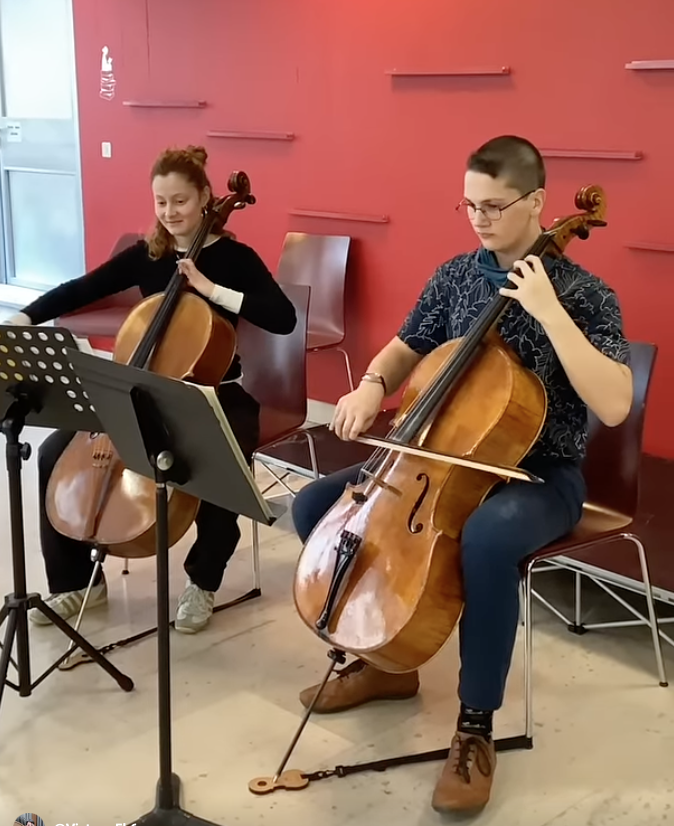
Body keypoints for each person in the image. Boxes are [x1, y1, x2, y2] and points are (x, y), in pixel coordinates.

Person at [290, 135, 632, 814]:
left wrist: (550, 313)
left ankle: (475, 727)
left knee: (487, 540)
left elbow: (616, 403)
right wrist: (371, 385)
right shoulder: (454, 276)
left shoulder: (586, 294)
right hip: (435, 458)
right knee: (314, 508)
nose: (479, 219)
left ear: (536, 202)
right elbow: (404, 346)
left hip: (540, 475)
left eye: (494, 206)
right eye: (470, 205)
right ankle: (388, 662)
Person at [4, 145, 296, 634]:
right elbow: (81, 289)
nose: (170, 212)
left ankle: (203, 583)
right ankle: (74, 581)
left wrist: (210, 290)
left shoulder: (236, 258)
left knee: (221, 471)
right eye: (161, 202)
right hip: (141, 391)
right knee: (55, 451)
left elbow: (283, 318)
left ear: (205, 197)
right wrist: (23, 318)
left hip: (213, 392)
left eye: (180, 201)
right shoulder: (149, 254)